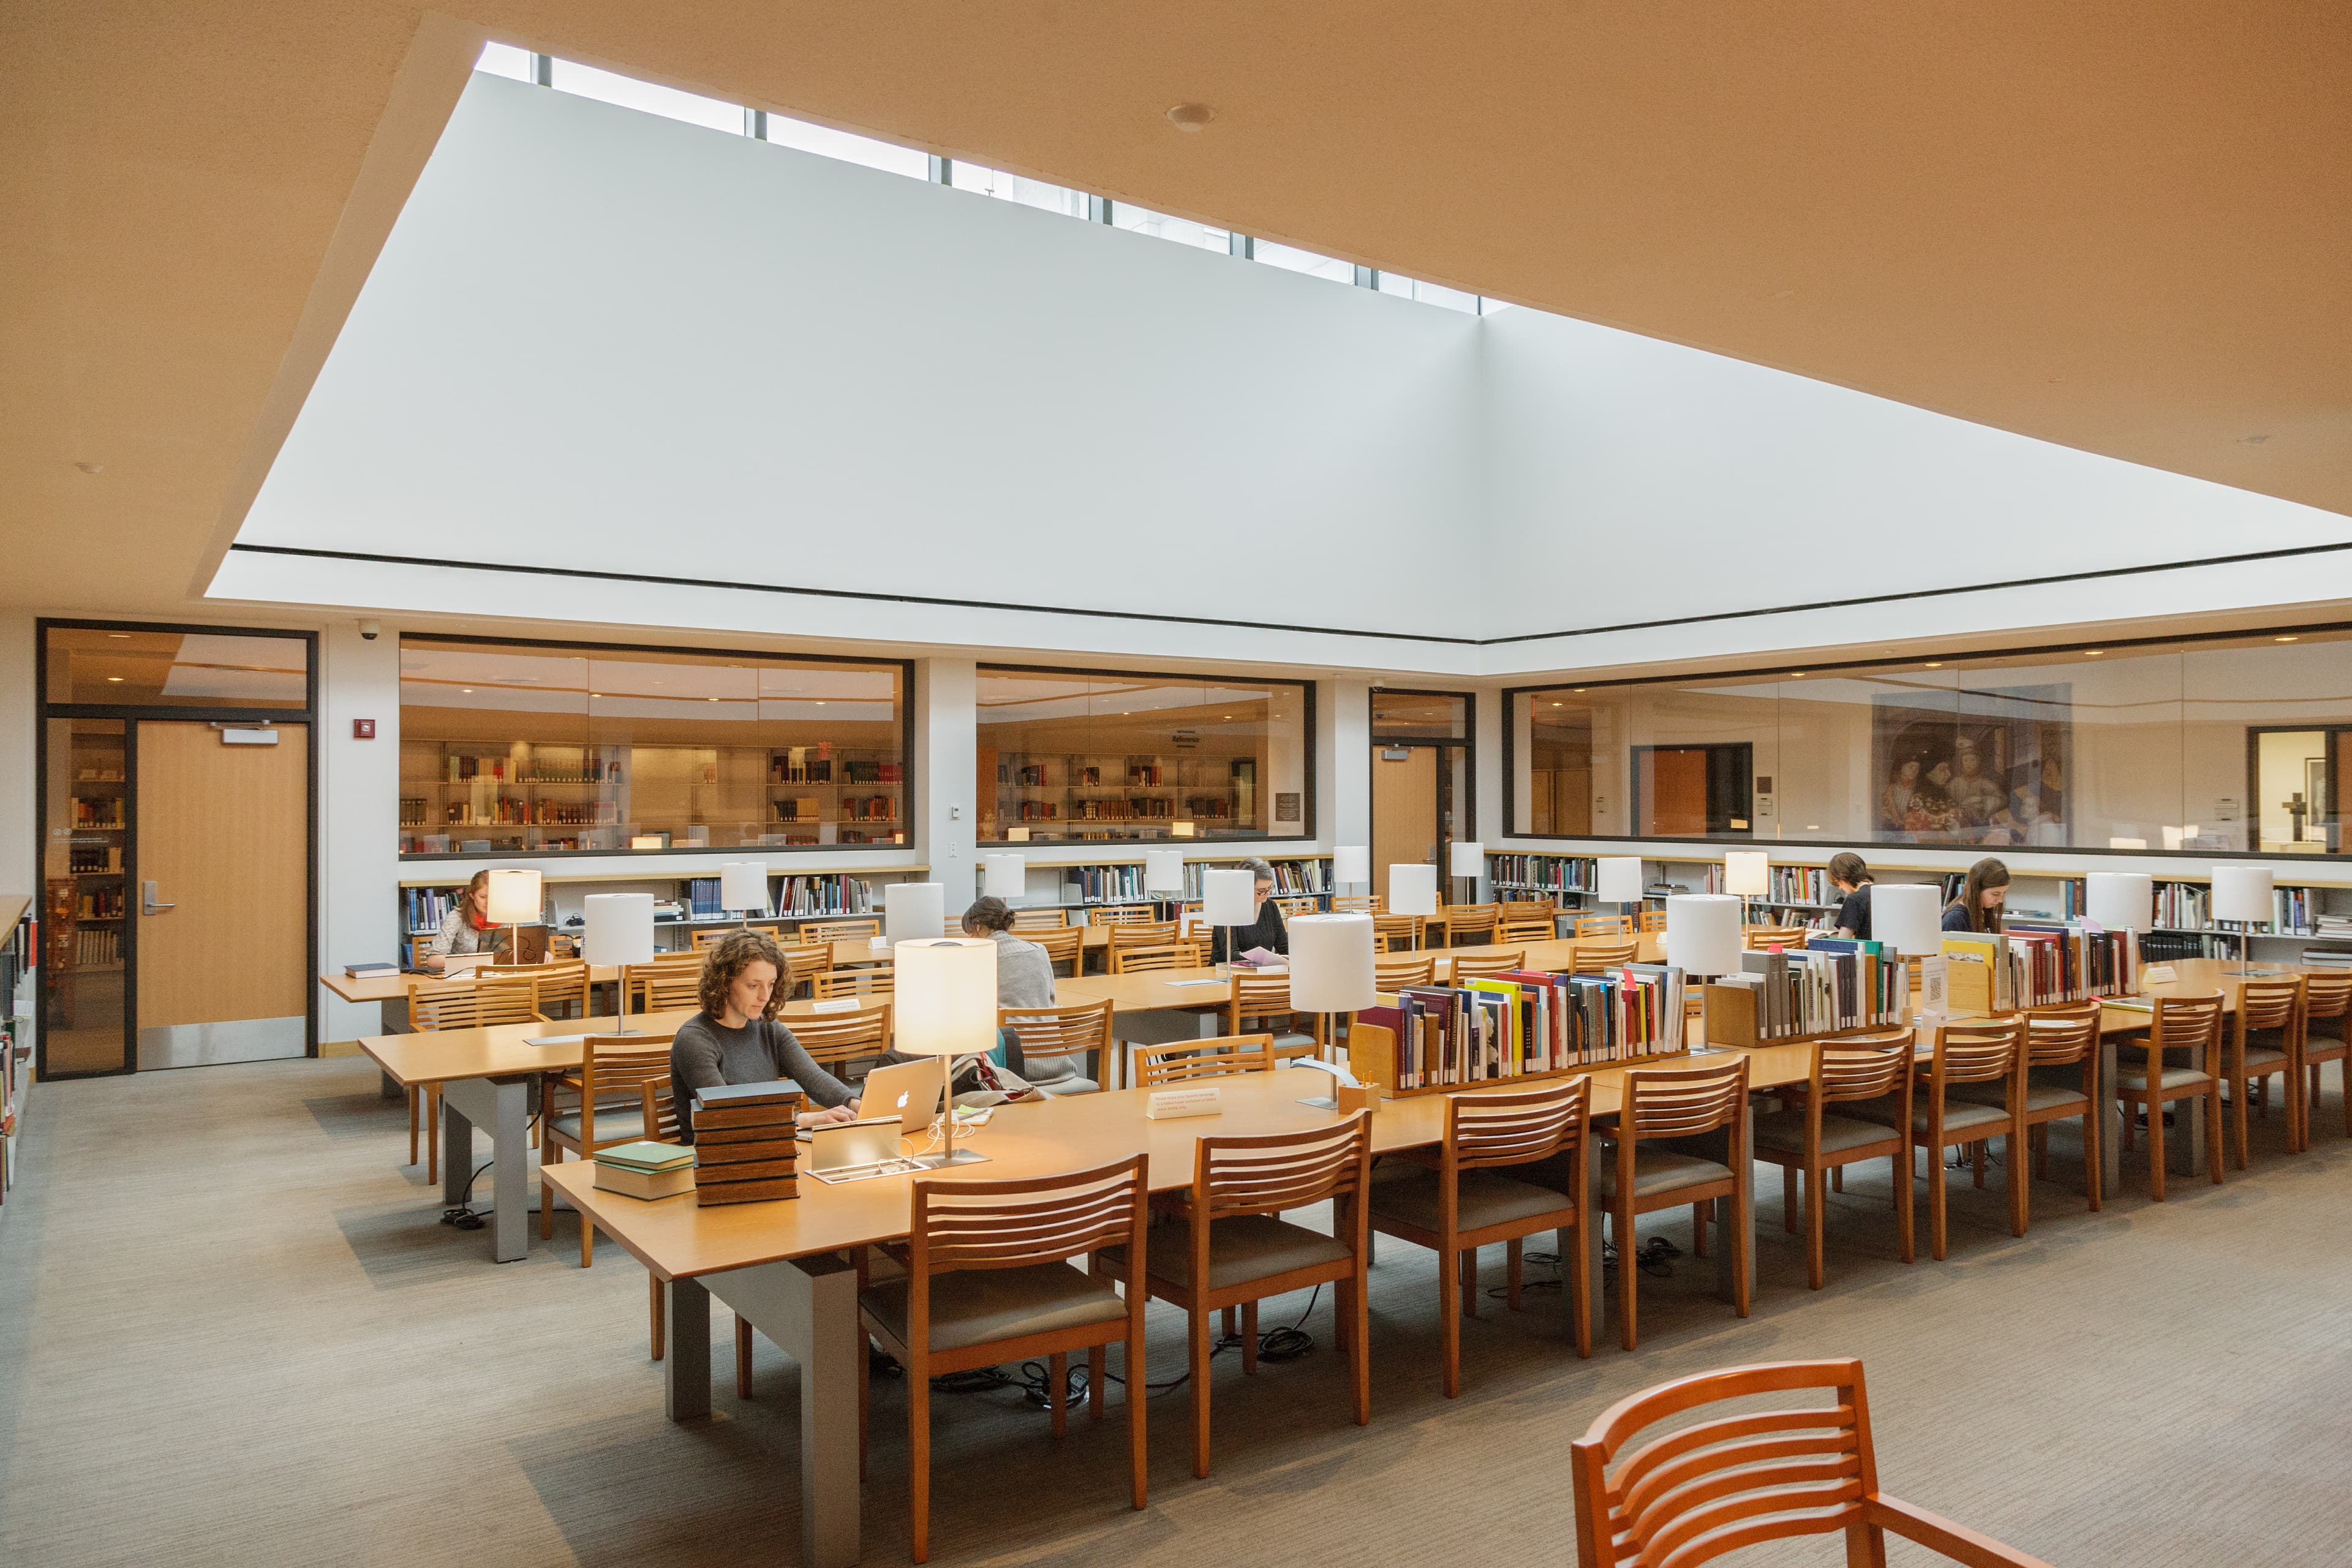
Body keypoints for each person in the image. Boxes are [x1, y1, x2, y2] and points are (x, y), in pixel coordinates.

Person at [669, 929, 861, 1140]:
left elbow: (813, 1077)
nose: (764, 996)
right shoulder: (695, 1040)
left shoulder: (768, 1027)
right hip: (714, 1155)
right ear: (724, 983)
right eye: (753, 985)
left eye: (771, 984)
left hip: (769, 1141)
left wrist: (855, 1104)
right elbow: (726, 1115)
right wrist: (805, 1119)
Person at [959, 896, 1071, 1085]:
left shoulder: (974, 960)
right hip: (1058, 1063)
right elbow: (1050, 999)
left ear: (978, 927)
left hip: (1010, 1072)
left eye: (970, 934)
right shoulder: (1039, 950)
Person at [1208, 857, 1290, 965]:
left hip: (1260, 971)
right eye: (1261, 891)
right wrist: (1265, 960)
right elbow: (1231, 954)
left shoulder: (1271, 906)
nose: (1268, 894)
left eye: (1270, 888)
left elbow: (1283, 945)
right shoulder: (1227, 909)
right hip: (1225, 972)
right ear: (1244, 887)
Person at [425, 870, 494, 970]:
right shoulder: (457, 917)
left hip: (502, 976)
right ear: (472, 895)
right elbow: (433, 959)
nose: (488, 902)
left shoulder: (510, 917)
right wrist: (477, 962)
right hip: (464, 976)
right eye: (483, 897)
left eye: (493, 897)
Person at [1942, 858, 2010, 933]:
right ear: (1977, 889)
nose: (2000, 900)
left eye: (2003, 893)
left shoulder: (1985, 910)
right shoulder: (1955, 918)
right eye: (1995, 894)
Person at [1828, 852, 1874, 940]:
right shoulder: (1883, 892)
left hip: (1868, 952)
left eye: (1838, 882)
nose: (1840, 888)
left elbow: (1843, 940)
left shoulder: (1854, 899)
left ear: (1843, 877)